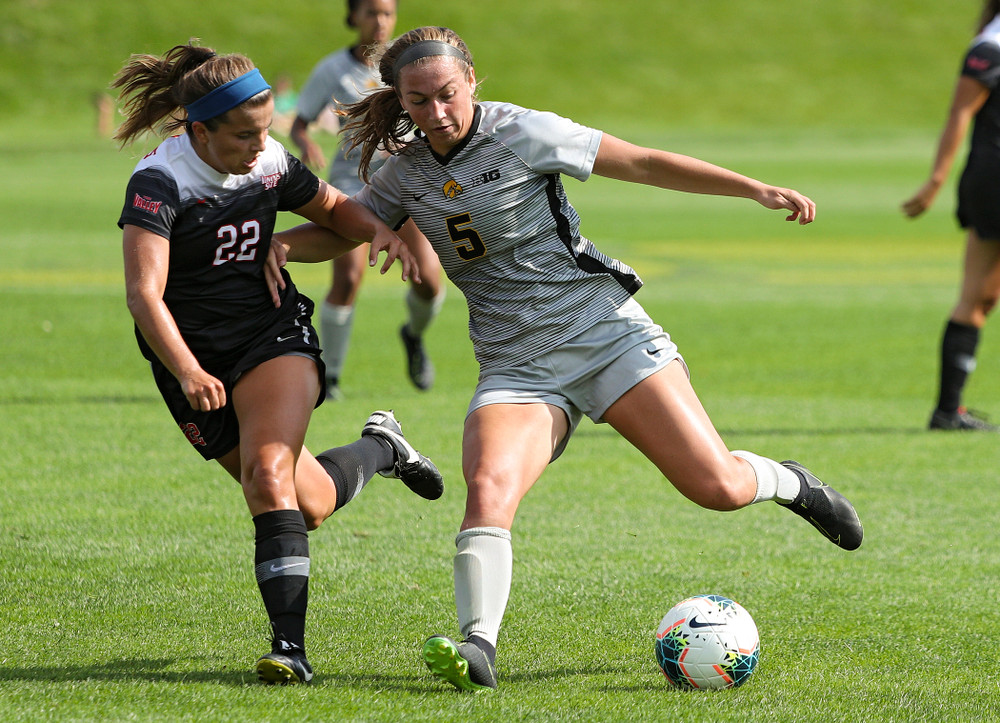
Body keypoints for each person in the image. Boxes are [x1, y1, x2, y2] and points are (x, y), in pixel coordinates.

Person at [334, 26, 865, 692]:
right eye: (419, 101)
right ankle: (479, 646)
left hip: (604, 332)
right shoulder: (404, 173)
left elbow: (640, 161)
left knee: (717, 487)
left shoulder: (524, 132)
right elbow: (337, 224)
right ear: (400, 101)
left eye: (447, 94)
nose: (437, 112)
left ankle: (792, 482)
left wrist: (751, 187)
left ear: (472, 79)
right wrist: (279, 244)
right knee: (489, 486)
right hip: (516, 364)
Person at [112, 42, 444, 685]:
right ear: (200, 131)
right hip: (190, 358)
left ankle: (288, 649)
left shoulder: (267, 159)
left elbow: (332, 209)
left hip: (271, 334)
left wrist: (378, 228)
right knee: (307, 502)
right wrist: (186, 368)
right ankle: (382, 448)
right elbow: (142, 295)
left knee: (268, 476)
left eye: (264, 131)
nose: (257, 146)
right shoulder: (160, 182)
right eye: (242, 136)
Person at [290, 0, 445, 399]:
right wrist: (306, 143)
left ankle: (413, 335)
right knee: (348, 279)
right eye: (372, 12)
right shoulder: (333, 69)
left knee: (428, 281)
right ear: (353, 16)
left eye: (387, 13)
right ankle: (331, 379)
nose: (380, 21)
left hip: (406, 186)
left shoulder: (407, 65)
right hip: (350, 187)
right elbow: (300, 124)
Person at [902, 0, 1000, 432]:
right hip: (994, 180)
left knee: (981, 296)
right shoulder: (991, 47)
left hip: (989, 183)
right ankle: (947, 410)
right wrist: (935, 182)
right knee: (976, 295)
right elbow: (960, 114)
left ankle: (948, 410)